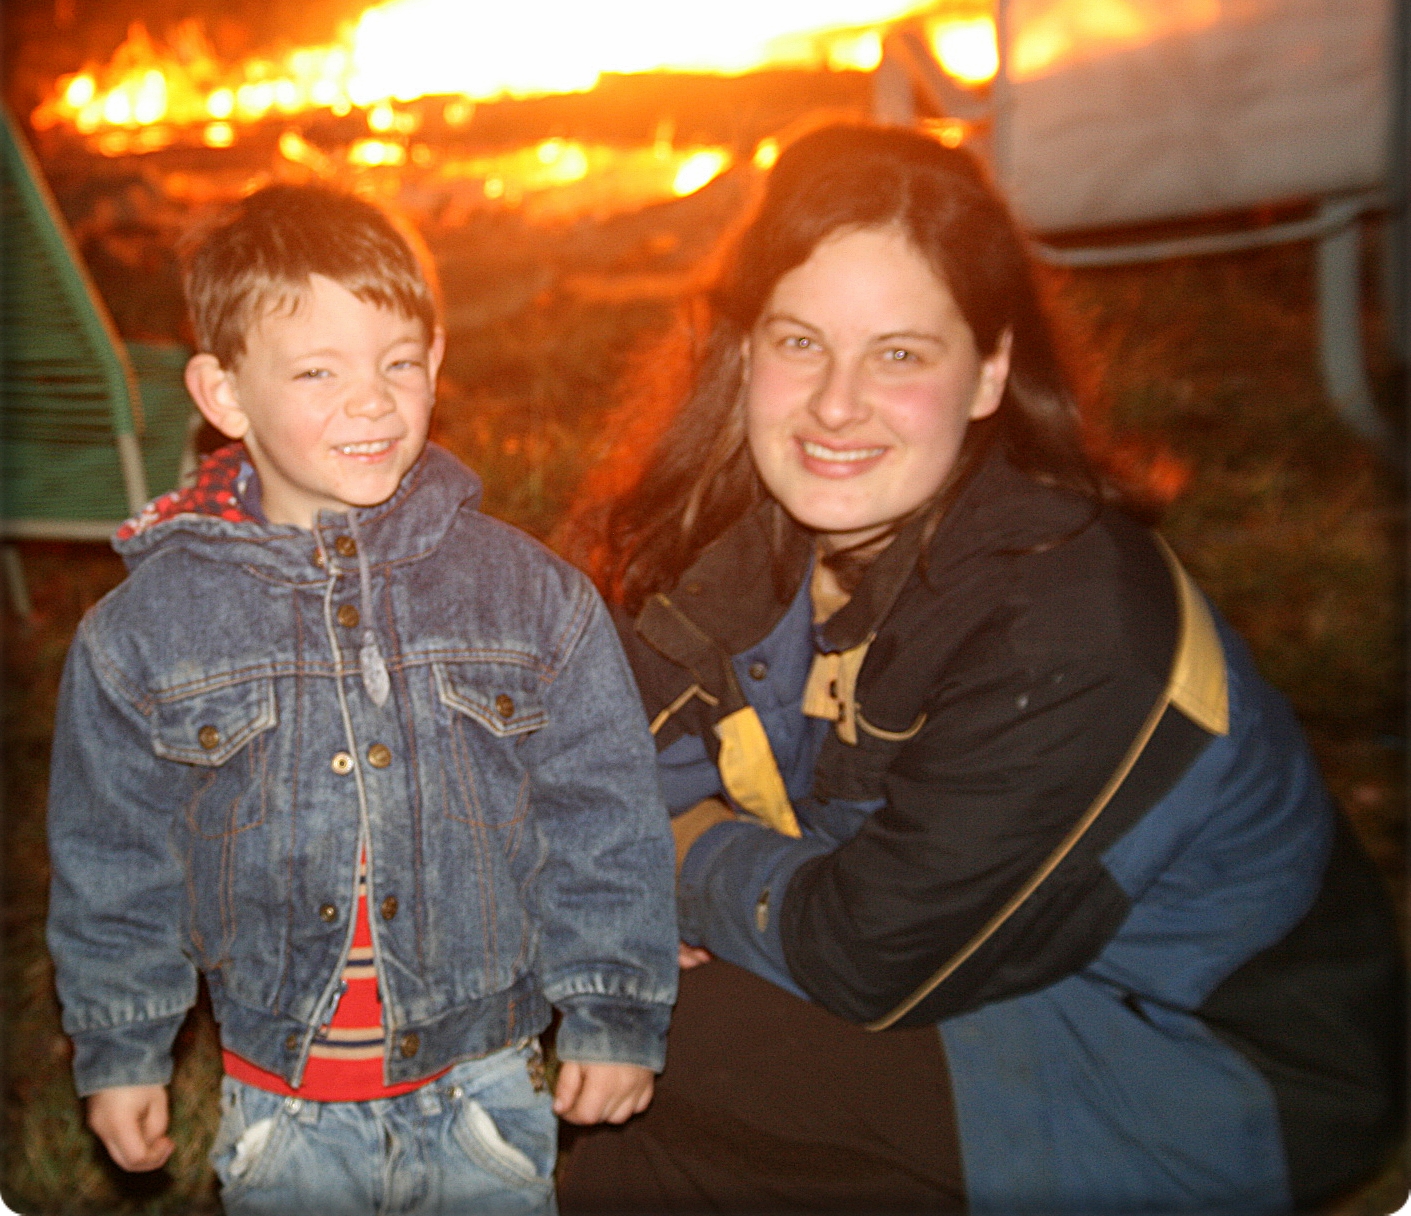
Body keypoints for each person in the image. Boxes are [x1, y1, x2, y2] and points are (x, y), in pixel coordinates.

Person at [557, 124, 1404, 1214]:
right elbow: (593, 760)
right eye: (800, 341)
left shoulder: (1075, 621)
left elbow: (866, 952)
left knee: (703, 1042)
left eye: (899, 354)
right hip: (966, 957)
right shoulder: (742, 539)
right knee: (637, 1052)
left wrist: (678, 859)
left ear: (991, 370)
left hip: (1206, 1060)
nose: (835, 405)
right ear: (744, 348)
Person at [45, 183, 678, 1216]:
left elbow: (603, 813)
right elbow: (116, 859)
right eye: (317, 371)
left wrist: (611, 1003)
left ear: (435, 363)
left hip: (483, 1084)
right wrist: (123, 1044)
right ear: (224, 394)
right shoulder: (146, 632)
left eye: (397, 362)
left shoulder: (528, 597)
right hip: (285, 1106)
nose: (372, 401)